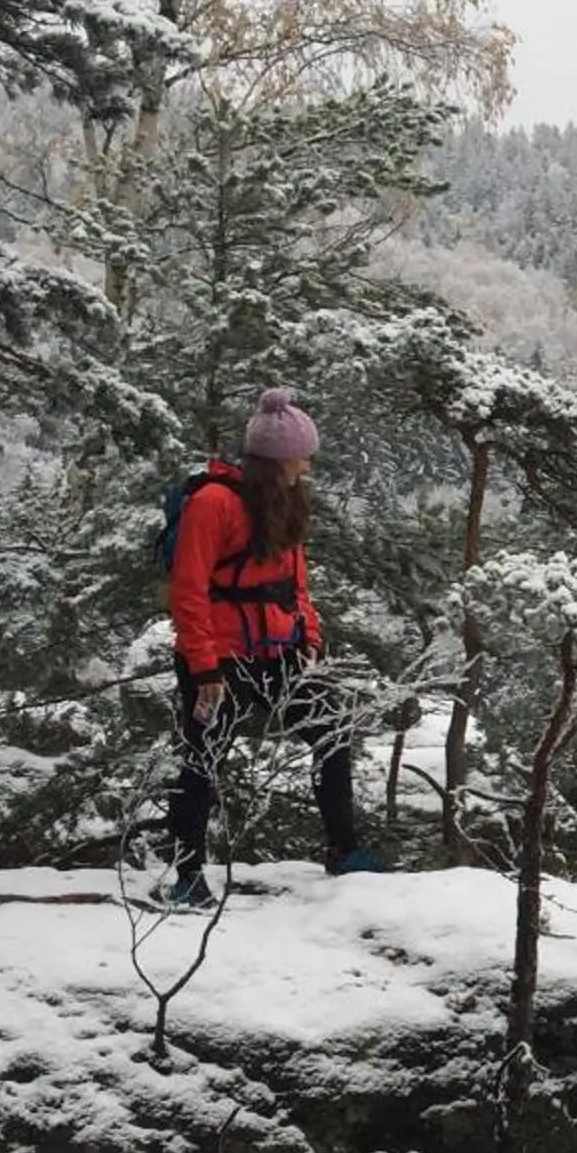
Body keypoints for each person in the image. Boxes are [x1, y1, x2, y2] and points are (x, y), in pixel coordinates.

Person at [162, 387, 385, 905]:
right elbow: (189, 592)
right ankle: (187, 875)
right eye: (302, 455)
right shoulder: (213, 504)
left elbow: (295, 587)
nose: (307, 463)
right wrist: (205, 668)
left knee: (330, 735)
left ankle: (343, 851)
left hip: (279, 654)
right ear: (280, 458)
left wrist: (309, 639)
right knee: (202, 759)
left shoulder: (285, 504)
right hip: (219, 658)